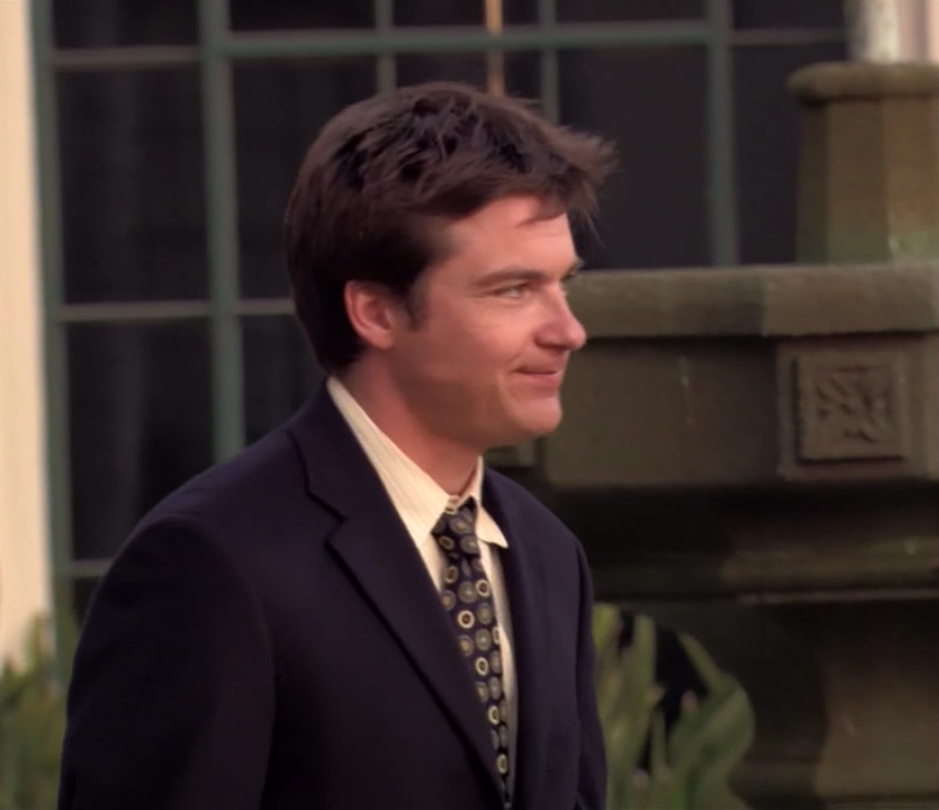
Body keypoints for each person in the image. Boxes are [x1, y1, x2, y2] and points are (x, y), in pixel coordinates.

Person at [59, 81, 616, 810]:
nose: (567, 330)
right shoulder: (210, 562)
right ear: (376, 312)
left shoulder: (546, 552)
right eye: (513, 290)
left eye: (562, 284)